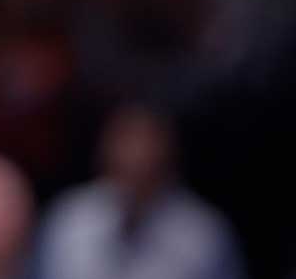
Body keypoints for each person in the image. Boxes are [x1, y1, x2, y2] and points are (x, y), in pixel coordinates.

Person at [28, 104, 245, 279]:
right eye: (123, 168)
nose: (132, 183)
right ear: (105, 161)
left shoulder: (203, 237)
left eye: (144, 171)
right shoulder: (69, 222)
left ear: (167, 166)